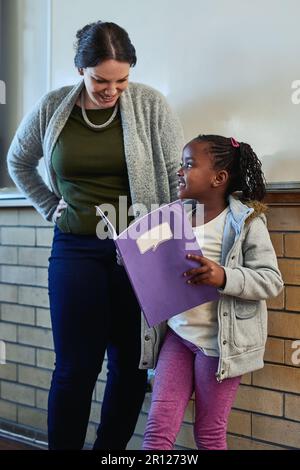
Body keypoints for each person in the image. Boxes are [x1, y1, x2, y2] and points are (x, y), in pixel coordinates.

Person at [7, 21, 184, 450]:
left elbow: (176, 178)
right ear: (80, 69)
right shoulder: (54, 107)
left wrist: (173, 253)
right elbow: (18, 161)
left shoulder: (150, 105)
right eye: (101, 80)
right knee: (74, 367)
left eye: (122, 80)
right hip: (75, 249)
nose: (112, 90)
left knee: (129, 366)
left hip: (142, 250)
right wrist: (50, 206)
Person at [142, 134, 284, 450]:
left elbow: (271, 281)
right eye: (181, 164)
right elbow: (159, 269)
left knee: (208, 434)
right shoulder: (173, 216)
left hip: (219, 348)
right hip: (177, 338)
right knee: (157, 431)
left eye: (189, 165)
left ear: (218, 178)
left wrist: (223, 276)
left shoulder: (245, 221)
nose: (179, 171)